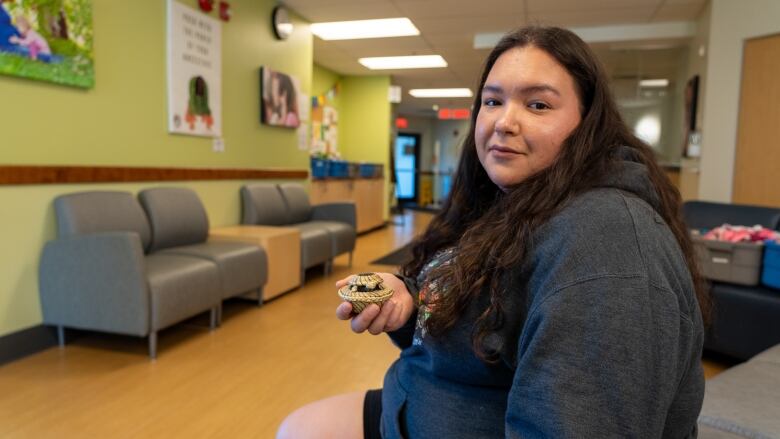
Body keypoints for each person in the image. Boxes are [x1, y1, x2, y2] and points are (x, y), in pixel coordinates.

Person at [277, 25, 709, 439]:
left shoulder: (607, 246)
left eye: (538, 105)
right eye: (492, 101)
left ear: (588, 124)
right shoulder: (514, 199)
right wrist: (409, 302)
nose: (504, 121)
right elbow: (484, 326)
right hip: (421, 401)